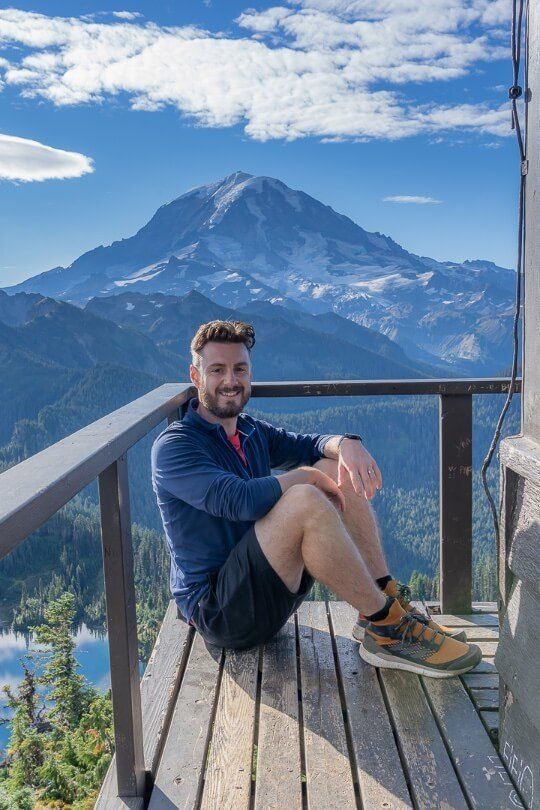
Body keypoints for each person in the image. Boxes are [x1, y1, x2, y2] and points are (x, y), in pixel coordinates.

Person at [151, 320, 481, 677]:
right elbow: (236, 500)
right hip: (221, 612)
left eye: (239, 369)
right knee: (305, 495)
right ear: (195, 375)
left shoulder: (248, 430)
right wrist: (303, 478)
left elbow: (307, 444)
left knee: (332, 464)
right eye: (217, 370)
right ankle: (388, 627)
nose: (230, 381)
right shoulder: (175, 446)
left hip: (269, 589)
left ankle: (383, 602)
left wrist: (345, 444)